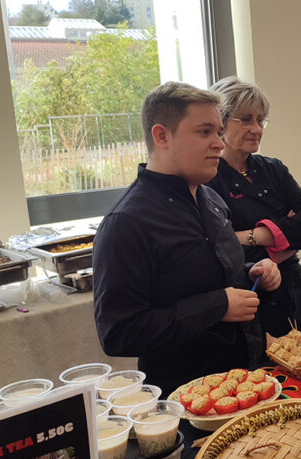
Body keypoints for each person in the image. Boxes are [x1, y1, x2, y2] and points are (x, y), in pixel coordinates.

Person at [93, 82, 281, 393]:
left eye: (219, 132)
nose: (219, 143)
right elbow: (118, 333)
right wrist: (217, 306)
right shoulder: (126, 223)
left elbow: (207, 277)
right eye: (205, 132)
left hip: (243, 381)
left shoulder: (212, 200)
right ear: (161, 136)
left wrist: (252, 274)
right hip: (182, 400)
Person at [205, 77, 301, 340]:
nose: (256, 128)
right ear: (221, 122)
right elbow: (220, 251)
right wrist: (283, 236)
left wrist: (248, 236)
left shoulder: (273, 169)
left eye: (260, 120)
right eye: (246, 119)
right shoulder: (209, 180)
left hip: (296, 289)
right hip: (253, 296)